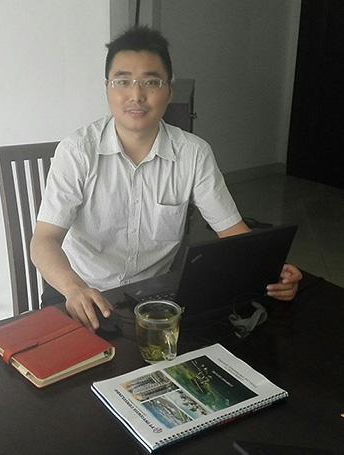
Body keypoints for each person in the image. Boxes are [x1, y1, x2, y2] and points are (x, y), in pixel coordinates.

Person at [31, 26, 302, 331]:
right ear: (107, 88)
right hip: (80, 292)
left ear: (170, 91)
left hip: (154, 299)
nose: (136, 95)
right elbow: (44, 240)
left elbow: (232, 233)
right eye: (122, 81)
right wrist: (73, 288)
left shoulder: (193, 153)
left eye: (151, 82)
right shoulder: (77, 151)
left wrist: (273, 271)